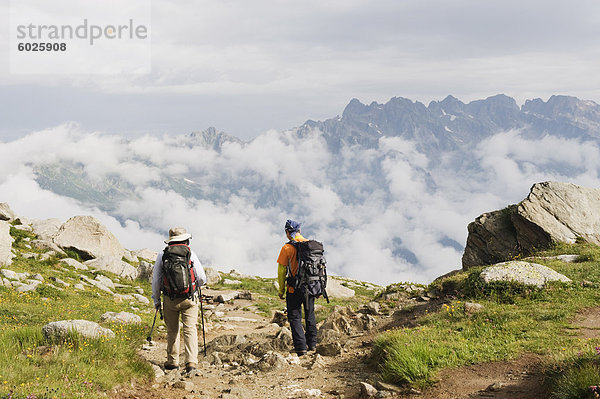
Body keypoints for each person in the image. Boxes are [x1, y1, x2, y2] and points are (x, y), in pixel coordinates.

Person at [152, 227, 206, 374]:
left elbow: (156, 281)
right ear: (186, 239)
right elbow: (202, 277)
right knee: (190, 329)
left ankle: (172, 362)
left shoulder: (162, 255)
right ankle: (191, 363)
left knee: (172, 330)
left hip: (170, 299)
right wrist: (193, 288)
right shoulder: (190, 253)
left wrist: (156, 300)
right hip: (189, 298)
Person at [277, 219, 317, 356]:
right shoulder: (311, 246)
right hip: (311, 287)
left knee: (295, 317)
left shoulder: (286, 248)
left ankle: (301, 348)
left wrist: (281, 290)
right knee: (310, 314)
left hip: (293, 288)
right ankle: (312, 344)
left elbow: (282, 271)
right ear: (299, 230)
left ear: (288, 232)